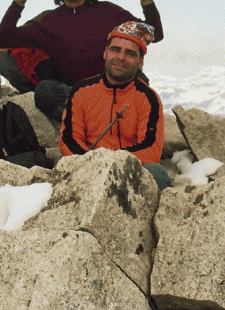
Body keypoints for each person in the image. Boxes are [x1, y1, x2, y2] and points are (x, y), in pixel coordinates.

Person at [0, 0, 163, 121]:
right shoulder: (46, 21)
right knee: (44, 91)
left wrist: (147, 3)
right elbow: (3, 39)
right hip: (71, 94)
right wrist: (18, 4)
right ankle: (77, 127)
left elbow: (154, 34)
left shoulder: (109, 12)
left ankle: (102, 121)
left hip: (110, 90)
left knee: (140, 84)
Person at [58, 21, 169, 189]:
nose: (121, 57)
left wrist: (112, 163)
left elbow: (151, 149)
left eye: (130, 53)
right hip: (88, 167)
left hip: (129, 170)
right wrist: (93, 163)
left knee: (156, 173)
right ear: (105, 53)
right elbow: (69, 139)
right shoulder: (82, 91)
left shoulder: (148, 97)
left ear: (140, 62)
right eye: (115, 50)